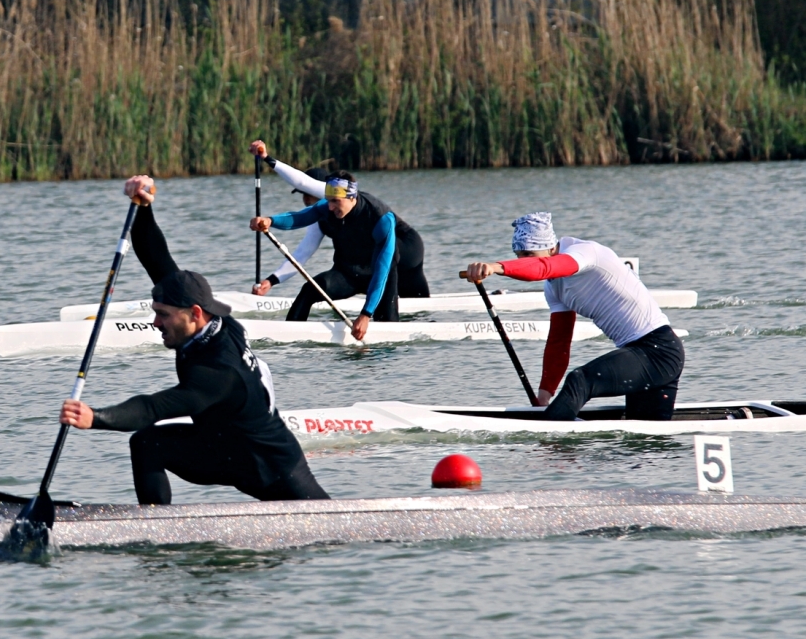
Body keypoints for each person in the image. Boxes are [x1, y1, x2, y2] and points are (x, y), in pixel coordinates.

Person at [59, 175, 331, 505]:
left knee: (325, 518)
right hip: (221, 450)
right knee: (147, 443)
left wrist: (96, 417)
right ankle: (153, 525)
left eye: (163, 315)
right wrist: (143, 207)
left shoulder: (219, 372)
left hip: (272, 470)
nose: (156, 322)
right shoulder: (207, 317)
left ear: (195, 313)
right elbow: (156, 257)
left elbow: (152, 407)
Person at [463, 212, 685, 421]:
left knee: (580, 380)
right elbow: (559, 342)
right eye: (518, 256)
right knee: (644, 439)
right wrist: (544, 396)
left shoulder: (585, 253)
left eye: (528, 255)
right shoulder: (554, 288)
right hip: (639, 356)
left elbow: (543, 268)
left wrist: (495, 267)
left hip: (659, 350)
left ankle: (549, 441)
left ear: (551, 248)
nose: (522, 261)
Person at [248, 140, 430, 312]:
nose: (305, 199)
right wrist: (271, 281)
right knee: (416, 300)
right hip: (381, 259)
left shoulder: (333, 189)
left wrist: (266, 158)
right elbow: (302, 254)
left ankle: (380, 311)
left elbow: (301, 182)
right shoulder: (325, 211)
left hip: (407, 247)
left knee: (383, 270)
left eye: (307, 194)